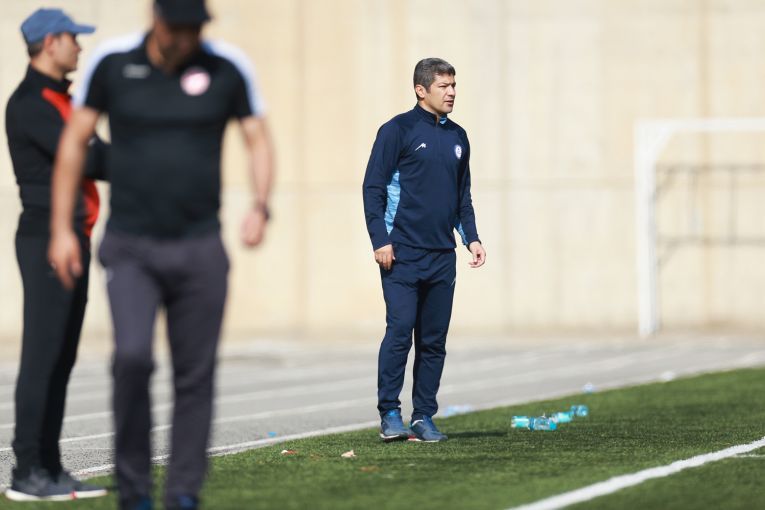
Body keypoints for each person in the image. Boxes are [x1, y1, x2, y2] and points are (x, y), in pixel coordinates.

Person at [47, 0, 274, 508]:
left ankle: (183, 492)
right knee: (132, 359)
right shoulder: (113, 63)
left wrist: (261, 205)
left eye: (196, 27)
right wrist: (61, 228)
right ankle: (134, 492)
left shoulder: (227, 67)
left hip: (200, 246)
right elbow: (75, 141)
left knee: (195, 373)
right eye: (179, 27)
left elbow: (257, 137)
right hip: (131, 246)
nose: (188, 37)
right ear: (156, 19)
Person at [4, 7, 108, 502]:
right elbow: (89, 157)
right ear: (49, 43)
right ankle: (27, 471)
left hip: (75, 237)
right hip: (47, 240)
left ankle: (49, 466)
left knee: (62, 357)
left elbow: (98, 154)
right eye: (73, 38)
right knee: (42, 357)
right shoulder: (29, 103)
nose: (79, 47)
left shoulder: (63, 101)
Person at [362, 58, 486, 443]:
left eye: (454, 85)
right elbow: (373, 188)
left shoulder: (459, 137)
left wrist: (472, 238)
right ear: (421, 90)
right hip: (401, 254)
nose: (452, 92)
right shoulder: (396, 130)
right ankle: (389, 414)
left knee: (433, 342)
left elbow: (462, 196)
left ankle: (423, 416)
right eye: (444, 86)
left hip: (442, 256)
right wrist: (380, 239)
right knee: (400, 332)